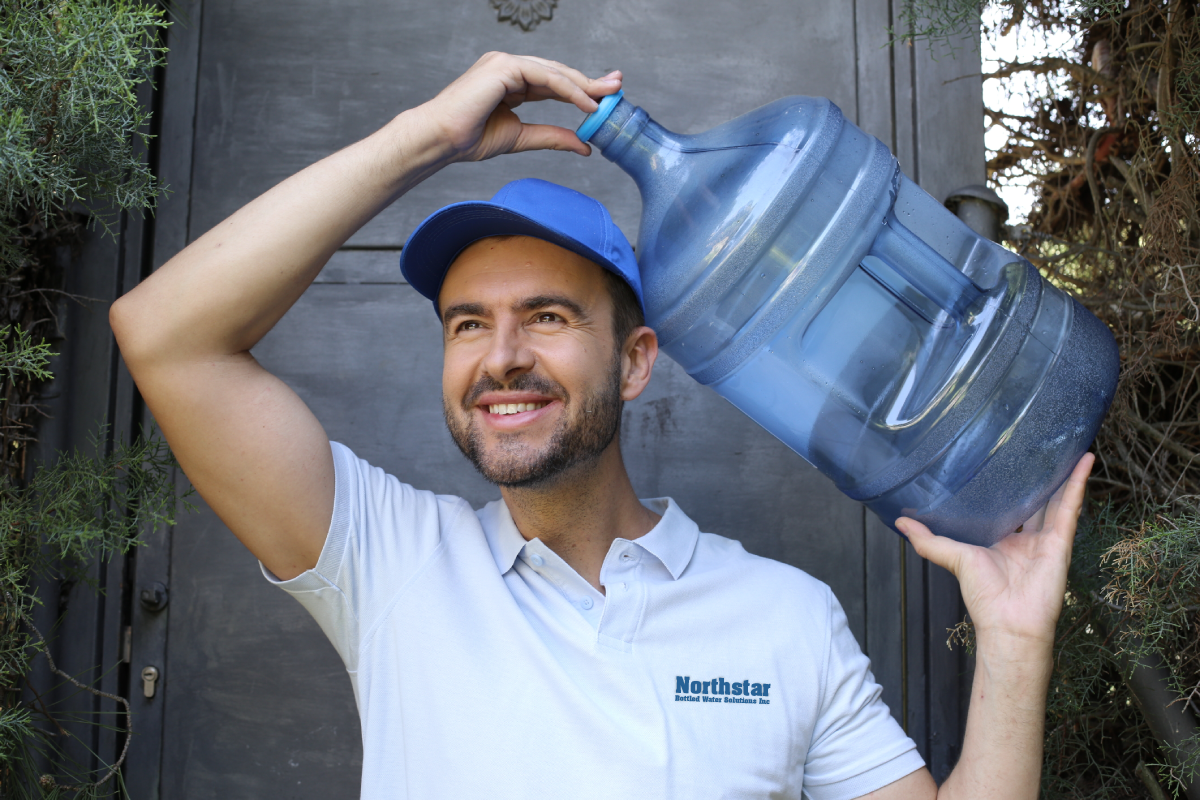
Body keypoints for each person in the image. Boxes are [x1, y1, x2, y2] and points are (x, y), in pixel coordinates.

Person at [110, 52, 1094, 799]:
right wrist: (425, 137)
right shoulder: (389, 563)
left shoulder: (787, 618)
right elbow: (163, 334)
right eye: (466, 323)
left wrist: (1013, 637)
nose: (500, 356)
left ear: (635, 360)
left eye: (546, 315)